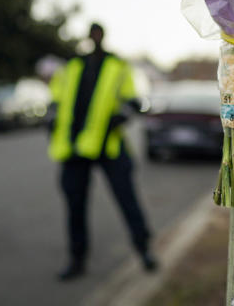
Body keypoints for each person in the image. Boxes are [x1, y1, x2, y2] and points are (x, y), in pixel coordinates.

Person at [47, 22, 157, 280]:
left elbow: (131, 99)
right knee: (75, 206)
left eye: (98, 34)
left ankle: (144, 250)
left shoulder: (118, 66)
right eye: (92, 34)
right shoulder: (71, 66)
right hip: (75, 148)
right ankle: (77, 259)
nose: (95, 37)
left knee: (127, 200)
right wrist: (51, 120)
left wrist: (123, 115)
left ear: (103, 36)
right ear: (88, 37)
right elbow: (55, 99)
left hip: (109, 146)